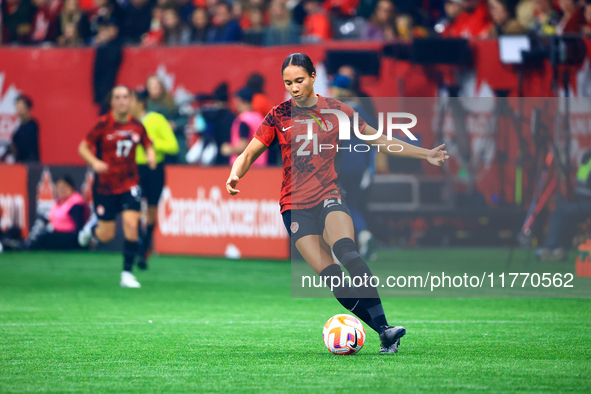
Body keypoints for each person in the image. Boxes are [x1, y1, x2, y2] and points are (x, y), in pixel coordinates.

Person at [225, 53, 448, 353]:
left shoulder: (337, 111)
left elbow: (379, 140)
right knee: (332, 276)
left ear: (314, 77)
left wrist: (425, 154)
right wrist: (235, 174)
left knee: (348, 252)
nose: (294, 87)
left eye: (299, 80)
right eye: (288, 82)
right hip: (294, 206)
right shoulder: (277, 115)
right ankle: (384, 331)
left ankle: (385, 327)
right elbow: (249, 152)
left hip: (330, 195)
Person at [77, 85, 156, 288]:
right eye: (118, 97)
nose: (122, 101)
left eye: (125, 97)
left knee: (132, 225)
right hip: (105, 186)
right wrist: (94, 162)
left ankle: (127, 274)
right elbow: (83, 147)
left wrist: (150, 155)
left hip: (130, 183)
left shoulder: (138, 126)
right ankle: (92, 229)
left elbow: (148, 144)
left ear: (130, 101)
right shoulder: (102, 125)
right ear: (112, 102)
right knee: (106, 235)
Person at [130, 89, 179, 269]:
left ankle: (145, 247)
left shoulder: (156, 120)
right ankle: (135, 246)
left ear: (140, 102)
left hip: (153, 170)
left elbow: (173, 146)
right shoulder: (124, 122)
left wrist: (151, 142)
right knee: (132, 210)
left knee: (151, 212)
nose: (126, 103)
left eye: (130, 100)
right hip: (132, 170)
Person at [25, 175, 90, 250]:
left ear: (71, 187)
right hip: (57, 233)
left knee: (45, 239)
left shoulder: (76, 203)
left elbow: (79, 226)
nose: (61, 190)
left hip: (70, 237)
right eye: (58, 187)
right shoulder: (58, 202)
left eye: (64, 187)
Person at [220, 87, 266, 166]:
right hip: (260, 164)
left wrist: (228, 150)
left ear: (240, 101)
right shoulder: (260, 118)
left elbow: (243, 146)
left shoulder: (243, 120)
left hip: (243, 166)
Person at [8, 95, 40, 163]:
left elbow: (25, 145)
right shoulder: (19, 128)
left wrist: (15, 148)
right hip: (20, 164)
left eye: (20, 106)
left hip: (30, 165)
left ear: (26, 108)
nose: (17, 109)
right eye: (17, 106)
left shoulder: (31, 125)